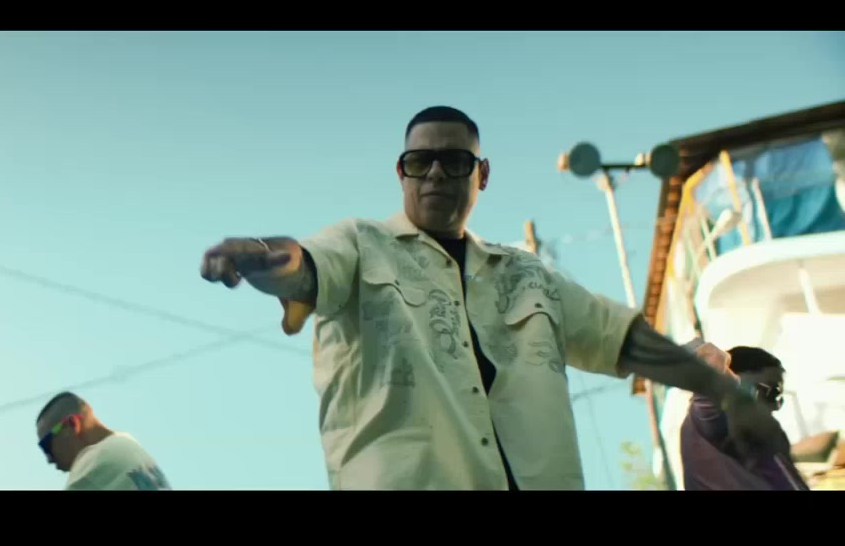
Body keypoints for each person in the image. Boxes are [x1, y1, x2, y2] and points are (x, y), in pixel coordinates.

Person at [199, 105, 782, 490]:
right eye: (419, 161)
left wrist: (718, 387)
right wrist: (262, 253)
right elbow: (305, 264)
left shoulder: (529, 276)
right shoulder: (359, 244)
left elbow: (620, 338)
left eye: (453, 161)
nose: (435, 174)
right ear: (401, 174)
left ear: (481, 174)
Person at [681, 342, 809, 491]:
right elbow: (709, 363)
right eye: (772, 392)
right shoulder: (710, 419)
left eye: (779, 397)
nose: (776, 406)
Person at [35, 392, 171, 491]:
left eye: (46, 445)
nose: (49, 459)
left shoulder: (90, 468)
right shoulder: (128, 444)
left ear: (72, 424)